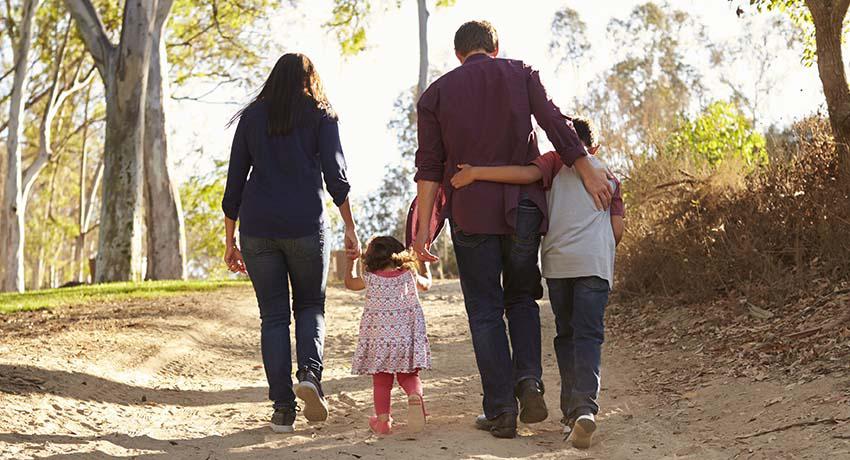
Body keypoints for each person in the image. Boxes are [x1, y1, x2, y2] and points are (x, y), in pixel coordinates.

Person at [412, 20, 613, 439]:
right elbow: (556, 125)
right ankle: (529, 382)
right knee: (521, 299)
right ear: (495, 46)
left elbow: (429, 170)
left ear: (458, 54)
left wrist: (420, 235)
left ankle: (502, 411)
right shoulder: (522, 74)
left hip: (471, 213)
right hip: (523, 210)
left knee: (485, 310)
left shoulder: (436, 95)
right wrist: (586, 167)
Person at [450, 117, 625, 449]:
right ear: (595, 146)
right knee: (589, 336)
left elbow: (523, 175)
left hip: (559, 266)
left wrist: (475, 172)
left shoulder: (555, 161)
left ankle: (570, 413)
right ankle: (583, 410)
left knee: (567, 335)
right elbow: (617, 232)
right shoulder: (610, 177)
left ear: (560, 141)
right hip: (595, 266)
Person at [221, 53, 361, 433]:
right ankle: (310, 378)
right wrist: (350, 226)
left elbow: (235, 180)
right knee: (311, 305)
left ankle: (283, 408)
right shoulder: (321, 115)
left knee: (273, 316)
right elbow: (337, 175)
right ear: (310, 79)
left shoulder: (251, 117)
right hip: (305, 224)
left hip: (258, 227)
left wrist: (229, 238)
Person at [344, 236, 432, 435]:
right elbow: (426, 285)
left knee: (381, 380)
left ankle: (383, 422)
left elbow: (349, 282)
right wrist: (423, 265)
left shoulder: (370, 278)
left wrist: (351, 260)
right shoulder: (409, 275)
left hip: (379, 340)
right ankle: (415, 396)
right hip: (405, 338)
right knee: (409, 375)